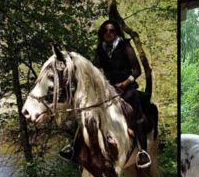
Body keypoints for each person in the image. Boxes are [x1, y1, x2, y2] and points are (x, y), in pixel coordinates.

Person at [60, 19, 151, 168]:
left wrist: (124, 84)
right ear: (102, 34)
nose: (109, 33)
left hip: (126, 87)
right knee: (86, 111)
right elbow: (93, 70)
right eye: (106, 31)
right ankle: (74, 148)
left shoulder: (125, 46)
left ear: (116, 32)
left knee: (136, 114)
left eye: (112, 30)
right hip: (107, 89)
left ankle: (142, 151)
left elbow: (137, 70)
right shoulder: (100, 51)